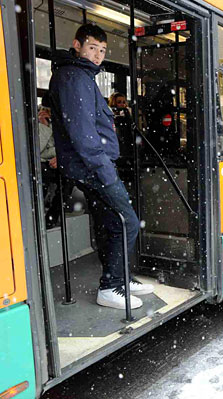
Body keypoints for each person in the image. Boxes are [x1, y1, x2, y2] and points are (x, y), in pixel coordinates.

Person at [48, 23, 153, 310]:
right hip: (92, 167)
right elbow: (84, 136)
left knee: (111, 223)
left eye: (102, 50)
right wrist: (105, 171)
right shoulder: (75, 78)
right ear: (77, 45)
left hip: (91, 166)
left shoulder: (79, 75)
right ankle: (109, 287)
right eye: (92, 47)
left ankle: (119, 278)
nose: (97, 55)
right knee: (128, 221)